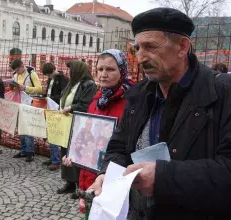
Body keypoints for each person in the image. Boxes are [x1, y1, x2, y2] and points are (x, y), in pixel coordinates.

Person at [89, 8, 231, 219]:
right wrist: (107, 174)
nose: (140, 57)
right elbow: (119, 146)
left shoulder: (223, 93)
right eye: (137, 48)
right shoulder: (138, 93)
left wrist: (164, 178)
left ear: (182, 47)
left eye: (150, 47)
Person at [62, 50, 132, 214]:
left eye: (110, 69)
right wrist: (76, 156)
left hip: (113, 178)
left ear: (122, 71)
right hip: (89, 177)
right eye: (100, 69)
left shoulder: (132, 102)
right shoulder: (95, 101)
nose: (103, 75)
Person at [58, 60, 97, 199]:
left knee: (76, 153)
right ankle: (69, 182)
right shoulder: (72, 84)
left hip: (78, 124)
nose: (68, 73)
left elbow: (86, 104)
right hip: (67, 123)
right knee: (65, 152)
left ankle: (78, 185)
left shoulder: (89, 85)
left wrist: (71, 108)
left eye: (70, 70)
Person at [10, 59, 42, 162]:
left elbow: (39, 89)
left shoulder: (32, 74)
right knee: (21, 128)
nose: (17, 72)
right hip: (19, 103)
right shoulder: (15, 75)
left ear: (22, 66)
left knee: (28, 129)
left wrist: (25, 88)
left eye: (18, 70)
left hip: (29, 104)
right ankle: (23, 150)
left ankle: (30, 152)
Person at [42, 62, 69, 171]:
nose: (48, 77)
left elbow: (63, 94)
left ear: (53, 70)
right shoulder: (51, 79)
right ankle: (53, 156)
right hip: (50, 108)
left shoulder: (63, 79)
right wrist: (45, 96)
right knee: (50, 134)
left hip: (57, 109)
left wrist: (51, 98)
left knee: (54, 134)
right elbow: (49, 92)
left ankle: (56, 160)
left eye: (49, 74)